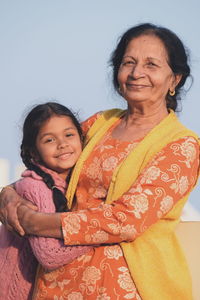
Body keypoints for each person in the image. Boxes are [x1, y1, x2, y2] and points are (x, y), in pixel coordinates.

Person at [0, 23, 200, 299]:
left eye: (151, 64)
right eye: (128, 62)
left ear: (174, 79)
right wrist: (8, 195)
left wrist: (38, 223)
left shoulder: (181, 144)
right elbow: (47, 168)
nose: (136, 73)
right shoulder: (100, 123)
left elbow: (127, 219)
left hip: (122, 289)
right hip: (56, 285)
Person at [0, 102, 91, 300]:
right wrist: (105, 234)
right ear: (33, 152)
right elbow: (50, 255)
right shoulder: (34, 187)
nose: (62, 144)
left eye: (69, 135)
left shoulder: (69, 185)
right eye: (49, 140)